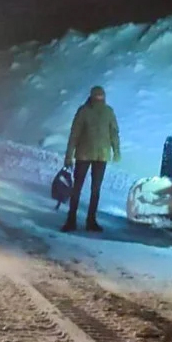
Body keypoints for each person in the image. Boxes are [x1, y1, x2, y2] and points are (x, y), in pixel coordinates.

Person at [62, 85, 120, 232]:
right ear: (92, 96)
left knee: (95, 189)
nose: (100, 99)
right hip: (84, 154)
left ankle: (91, 220)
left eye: (102, 96)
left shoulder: (108, 112)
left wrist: (116, 150)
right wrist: (69, 155)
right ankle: (71, 219)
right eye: (98, 96)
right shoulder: (84, 111)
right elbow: (74, 134)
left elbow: (114, 133)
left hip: (100, 156)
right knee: (78, 187)